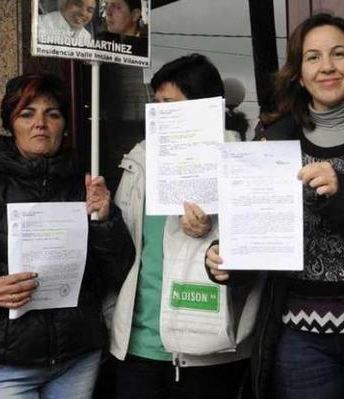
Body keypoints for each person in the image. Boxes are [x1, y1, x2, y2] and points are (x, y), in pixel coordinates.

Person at [208, 13, 344, 399]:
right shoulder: (272, 138)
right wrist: (225, 260)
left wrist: (339, 195)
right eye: (313, 57)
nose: (327, 67)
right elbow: (253, 228)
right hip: (298, 333)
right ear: (299, 73)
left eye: (338, 54)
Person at [0, 73, 133, 398]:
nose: (40, 123)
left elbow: (117, 272)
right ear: (10, 123)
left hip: (76, 358)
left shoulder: (84, 185)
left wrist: (104, 220)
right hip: (2, 364)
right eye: (27, 113)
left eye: (52, 114)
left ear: (65, 126)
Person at [109, 54, 259, 399]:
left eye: (171, 104)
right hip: (140, 344)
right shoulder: (139, 161)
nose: (160, 114)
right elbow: (123, 251)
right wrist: (103, 219)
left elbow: (258, 255)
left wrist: (214, 232)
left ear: (206, 109)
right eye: (157, 104)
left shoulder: (241, 160)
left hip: (209, 347)